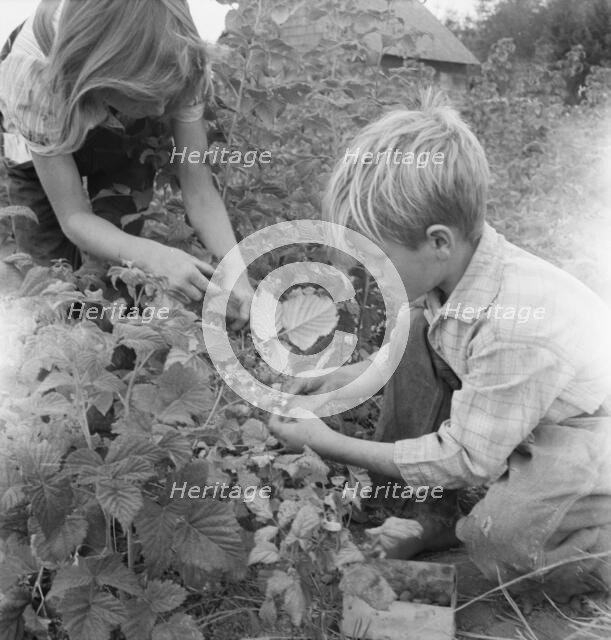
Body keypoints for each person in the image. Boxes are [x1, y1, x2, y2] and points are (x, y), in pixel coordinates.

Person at [269, 94, 611, 600]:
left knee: (508, 541)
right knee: (409, 333)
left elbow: (467, 459)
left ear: (438, 242)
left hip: (586, 435)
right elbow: (419, 350)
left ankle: (584, 541)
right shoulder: (449, 273)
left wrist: (328, 443)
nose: (365, 271)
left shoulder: (518, 322)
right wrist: (345, 379)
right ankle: (425, 510)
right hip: (521, 411)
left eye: (376, 256)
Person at [0, 0, 253, 319]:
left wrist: (236, 273)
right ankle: (54, 345)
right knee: (47, 275)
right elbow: (73, 217)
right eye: (151, 98)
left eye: (167, 97)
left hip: (114, 86)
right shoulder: (32, 74)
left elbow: (199, 190)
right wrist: (154, 255)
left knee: (122, 253)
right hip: (47, 102)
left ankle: (119, 341)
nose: (163, 112)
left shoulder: (180, 58)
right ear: (108, 83)